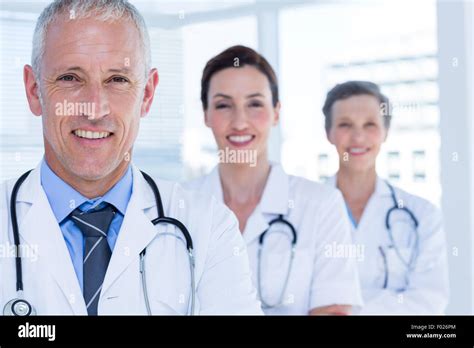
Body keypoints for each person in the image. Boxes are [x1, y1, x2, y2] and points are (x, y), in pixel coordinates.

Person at [0, 0, 262, 316]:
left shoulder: (208, 227)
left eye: (117, 80)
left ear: (147, 94)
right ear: (33, 90)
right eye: (70, 78)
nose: (94, 109)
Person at [184, 45, 363, 315]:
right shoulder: (180, 207)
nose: (240, 122)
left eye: (254, 104)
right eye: (223, 105)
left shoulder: (321, 204)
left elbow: (333, 309)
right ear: (206, 114)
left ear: (276, 112)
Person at [323, 80, 449, 314]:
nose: (358, 137)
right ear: (328, 133)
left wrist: (348, 310)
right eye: (345, 125)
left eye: (370, 124)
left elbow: (429, 303)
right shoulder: (303, 211)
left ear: (385, 132)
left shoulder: (422, 215)